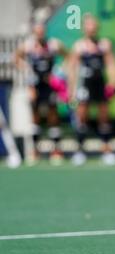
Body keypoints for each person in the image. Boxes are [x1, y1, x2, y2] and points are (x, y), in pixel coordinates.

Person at [69, 14, 115, 166]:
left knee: (104, 115)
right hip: (85, 84)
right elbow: (73, 68)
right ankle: (80, 150)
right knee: (82, 115)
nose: (91, 28)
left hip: (100, 83)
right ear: (84, 28)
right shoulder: (79, 46)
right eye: (88, 25)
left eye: (93, 25)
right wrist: (72, 90)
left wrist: (113, 82)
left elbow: (111, 64)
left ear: (97, 27)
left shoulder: (104, 45)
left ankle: (106, 149)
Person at [15, 22, 67, 165]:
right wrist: (26, 70)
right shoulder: (28, 45)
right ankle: (35, 151)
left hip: (50, 85)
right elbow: (17, 58)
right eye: (37, 31)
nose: (40, 33)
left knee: (53, 114)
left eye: (42, 31)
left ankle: (56, 150)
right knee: (35, 116)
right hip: (35, 85)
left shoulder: (53, 44)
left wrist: (59, 73)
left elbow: (68, 56)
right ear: (34, 32)